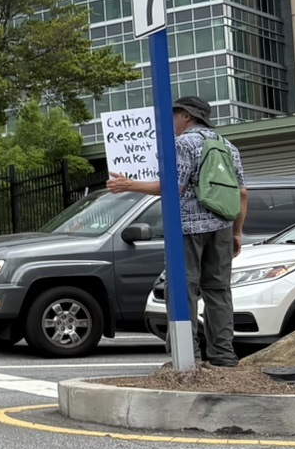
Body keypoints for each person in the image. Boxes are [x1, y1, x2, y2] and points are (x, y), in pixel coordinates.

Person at [106, 94, 249, 366]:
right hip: (222, 226)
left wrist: (129, 185)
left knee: (181, 290)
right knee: (218, 291)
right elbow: (242, 193)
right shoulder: (228, 146)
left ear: (187, 116)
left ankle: (187, 357)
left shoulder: (183, 144)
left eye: (174, 114)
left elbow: (174, 187)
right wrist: (237, 232)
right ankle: (224, 356)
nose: (170, 121)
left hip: (188, 228)